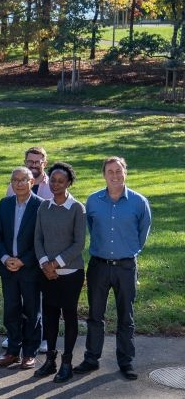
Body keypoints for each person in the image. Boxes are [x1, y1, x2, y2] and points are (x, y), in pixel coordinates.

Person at [73, 157, 151, 381]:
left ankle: (125, 361)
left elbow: (142, 233)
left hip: (126, 267)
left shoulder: (138, 202)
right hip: (99, 266)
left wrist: (129, 250)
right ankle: (91, 358)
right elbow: (91, 228)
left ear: (125, 172)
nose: (115, 175)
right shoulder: (93, 201)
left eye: (119, 171)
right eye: (110, 171)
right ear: (104, 174)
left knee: (125, 316)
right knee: (95, 315)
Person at [33, 162, 86, 383]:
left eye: (61, 181)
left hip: (71, 273)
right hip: (47, 273)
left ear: (69, 183)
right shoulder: (43, 207)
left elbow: (78, 243)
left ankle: (67, 362)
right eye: (53, 180)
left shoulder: (77, 208)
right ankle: (50, 360)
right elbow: (38, 239)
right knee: (50, 316)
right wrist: (46, 264)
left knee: (69, 316)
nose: (56, 184)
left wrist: (56, 264)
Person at [0, 167, 44, 370]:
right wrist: (5, 258)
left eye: (24, 180)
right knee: (11, 310)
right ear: (11, 183)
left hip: (30, 268)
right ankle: (13, 351)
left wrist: (23, 260)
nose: (19, 183)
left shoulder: (41, 206)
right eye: (15, 180)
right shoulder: (5, 204)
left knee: (32, 312)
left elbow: (41, 240)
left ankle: (29, 353)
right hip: (8, 268)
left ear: (32, 182)